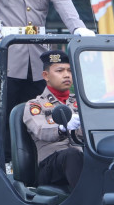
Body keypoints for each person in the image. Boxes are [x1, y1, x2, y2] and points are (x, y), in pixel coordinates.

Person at [23, 50, 83, 190]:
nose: (66, 75)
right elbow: (41, 130)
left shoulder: (81, 102)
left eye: (69, 70)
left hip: (82, 158)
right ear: (46, 75)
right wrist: (62, 128)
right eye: (60, 71)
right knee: (72, 155)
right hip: (50, 165)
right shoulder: (35, 105)